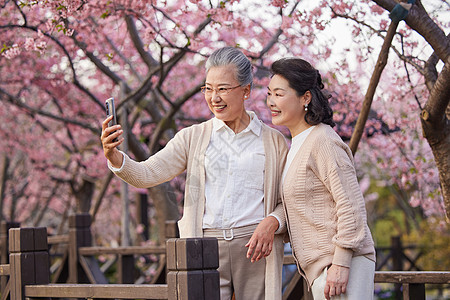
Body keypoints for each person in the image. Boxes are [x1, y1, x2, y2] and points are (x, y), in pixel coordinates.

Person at [101, 46, 288, 300]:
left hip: (255, 247)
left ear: (245, 91)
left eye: (222, 89)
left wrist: (272, 222)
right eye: (208, 89)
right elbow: (146, 173)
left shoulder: (273, 141)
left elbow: (288, 201)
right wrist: (114, 156)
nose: (214, 97)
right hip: (204, 248)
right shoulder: (193, 137)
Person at [266, 58, 376, 300]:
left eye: (279, 94)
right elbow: (300, 202)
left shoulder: (323, 141)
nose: (271, 102)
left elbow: (351, 205)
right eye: (269, 93)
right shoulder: (297, 144)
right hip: (323, 267)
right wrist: (273, 220)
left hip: (340, 265)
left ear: (305, 98)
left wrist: (341, 263)